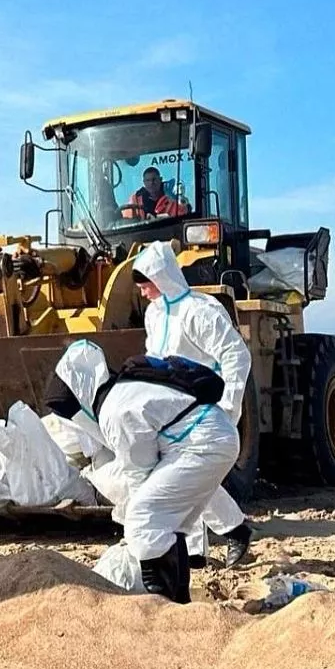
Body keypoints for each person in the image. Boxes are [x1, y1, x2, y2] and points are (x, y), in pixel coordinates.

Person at [46, 340, 239, 602]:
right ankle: (179, 599)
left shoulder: (115, 410)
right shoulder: (121, 393)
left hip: (203, 443)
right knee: (171, 523)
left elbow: (140, 471)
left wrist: (130, 522)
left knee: (144, 517)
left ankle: (160, 602)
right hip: (207, 439)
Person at [131, 240, 255, 568]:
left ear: (162, 276)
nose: (143, 291)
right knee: (179, 476)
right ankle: (207, 544)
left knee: (187, 474)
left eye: (146, 283)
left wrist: (229, 405)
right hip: (170, 408)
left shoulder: (201, 311)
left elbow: (236, 355)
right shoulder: (154, 313)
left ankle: (228, 533)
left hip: (203, 408)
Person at [123, 167, 191, 220]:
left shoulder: (173, 197)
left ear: (160, 179)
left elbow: (185, 215)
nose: (151, 183)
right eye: (148, 180)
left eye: (154, 179)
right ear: (144, 182)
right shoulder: (135, 200)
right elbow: (127, 221)